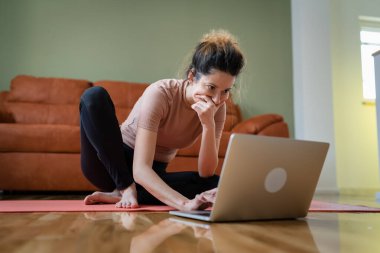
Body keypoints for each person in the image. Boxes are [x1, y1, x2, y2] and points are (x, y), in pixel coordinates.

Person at [79, 29, 245, 211]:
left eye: (225, 91)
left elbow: (206, 173)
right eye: (211, 87)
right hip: (110, 164)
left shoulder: (218, 108)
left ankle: (126, 192)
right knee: (93, 97)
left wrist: (208, 125)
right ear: (191, 76)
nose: (216, 99)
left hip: (151, 174)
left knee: (216, 184)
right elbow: (140, 169)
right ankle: (125, 188)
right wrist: (185, 204)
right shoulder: (161, 93)